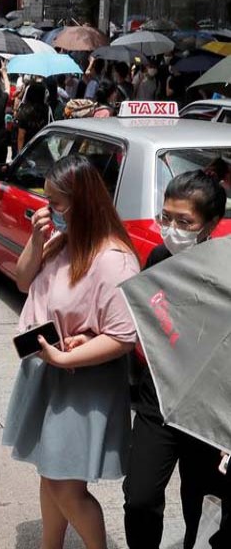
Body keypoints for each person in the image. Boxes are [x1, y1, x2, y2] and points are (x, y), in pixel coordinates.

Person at [3, 154, 140, 549]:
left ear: (83, 203)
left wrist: (63, 357)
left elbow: (122, 336)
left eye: (57, 203)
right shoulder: (64, 240)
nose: (50, 211)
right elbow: (24, 280)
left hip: (81, 383)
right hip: (50, 370)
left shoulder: (113, 260)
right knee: (51, 474)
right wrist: (35, 239)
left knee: (66, 486)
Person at [123, 171, 230, 549]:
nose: (171, 229)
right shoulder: (159, 257)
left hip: (209, 410)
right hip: (160, 399)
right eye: (165, 217)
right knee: (139, 497)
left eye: (184, 222)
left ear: (211, 224)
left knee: (200, 505)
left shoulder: (225, 270)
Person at [15, 82, 51, 153]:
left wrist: (19, 153)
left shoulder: (24, 110)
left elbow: (21, 136)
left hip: (27, 147)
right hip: (42, 146)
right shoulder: (47, 109)